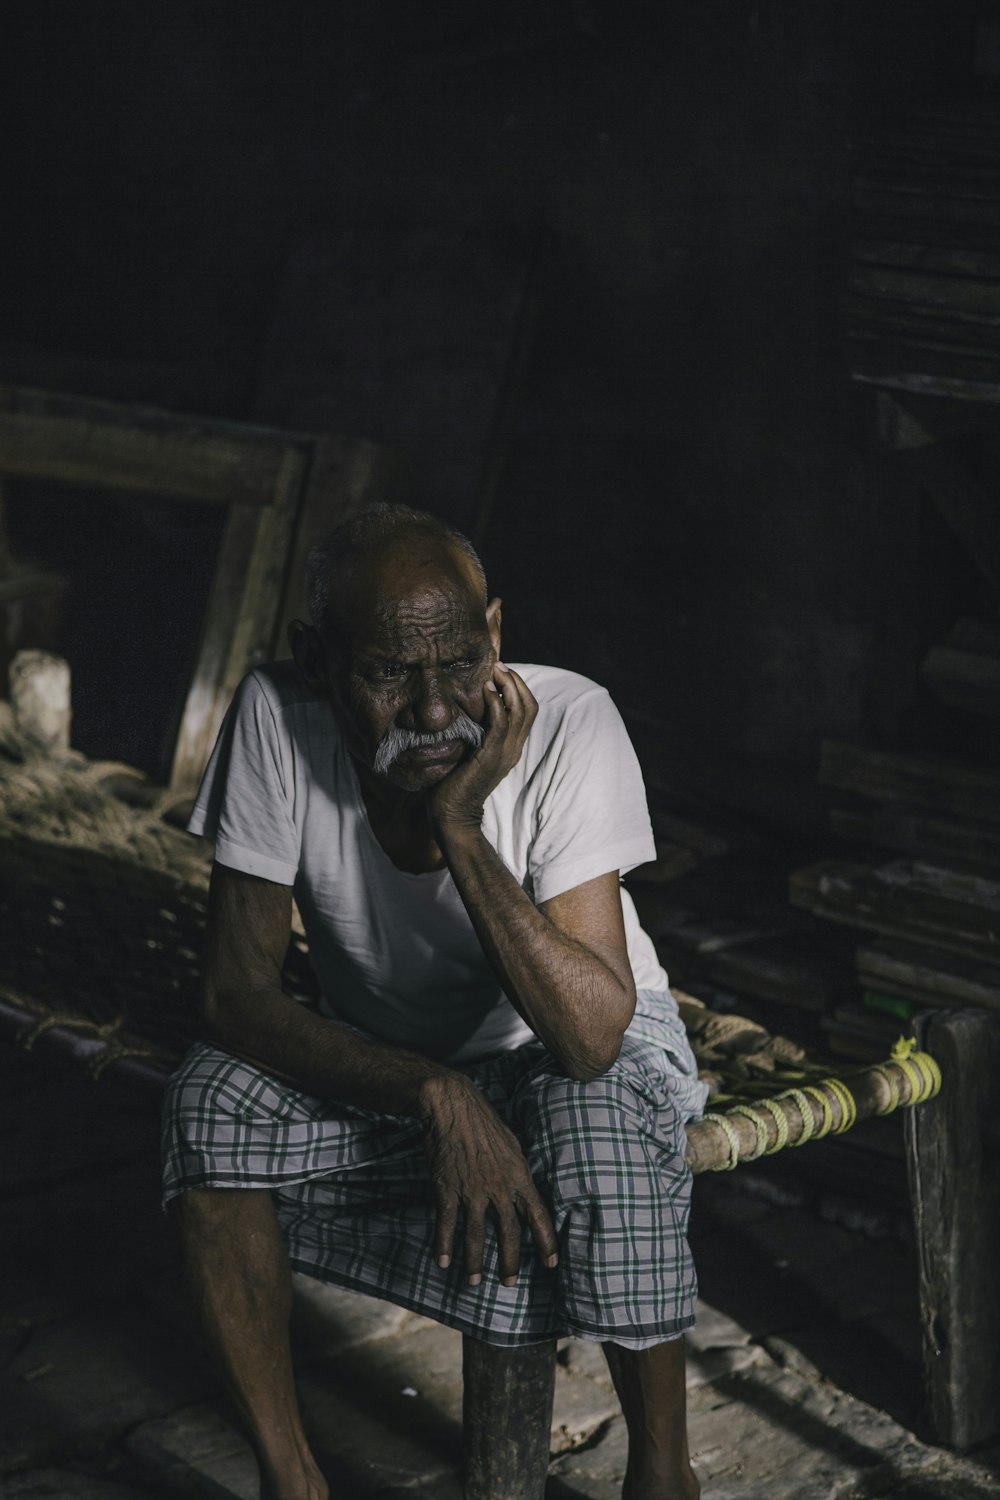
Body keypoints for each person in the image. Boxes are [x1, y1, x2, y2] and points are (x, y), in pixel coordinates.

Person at [162, 503, 708, 1500]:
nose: (430, 709)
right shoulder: (276, 717)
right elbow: (234, 993)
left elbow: (590, 1035)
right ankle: (292, 1479)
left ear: (495, 634)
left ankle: (665, 1477)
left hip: (578, 1040)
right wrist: (438, 1094)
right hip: (398, 1055)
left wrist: (458, 820)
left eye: (458, 664)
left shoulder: (571, 722)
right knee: (210, 1104)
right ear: (318, 660)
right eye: (385, 673)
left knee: (597, 1118)